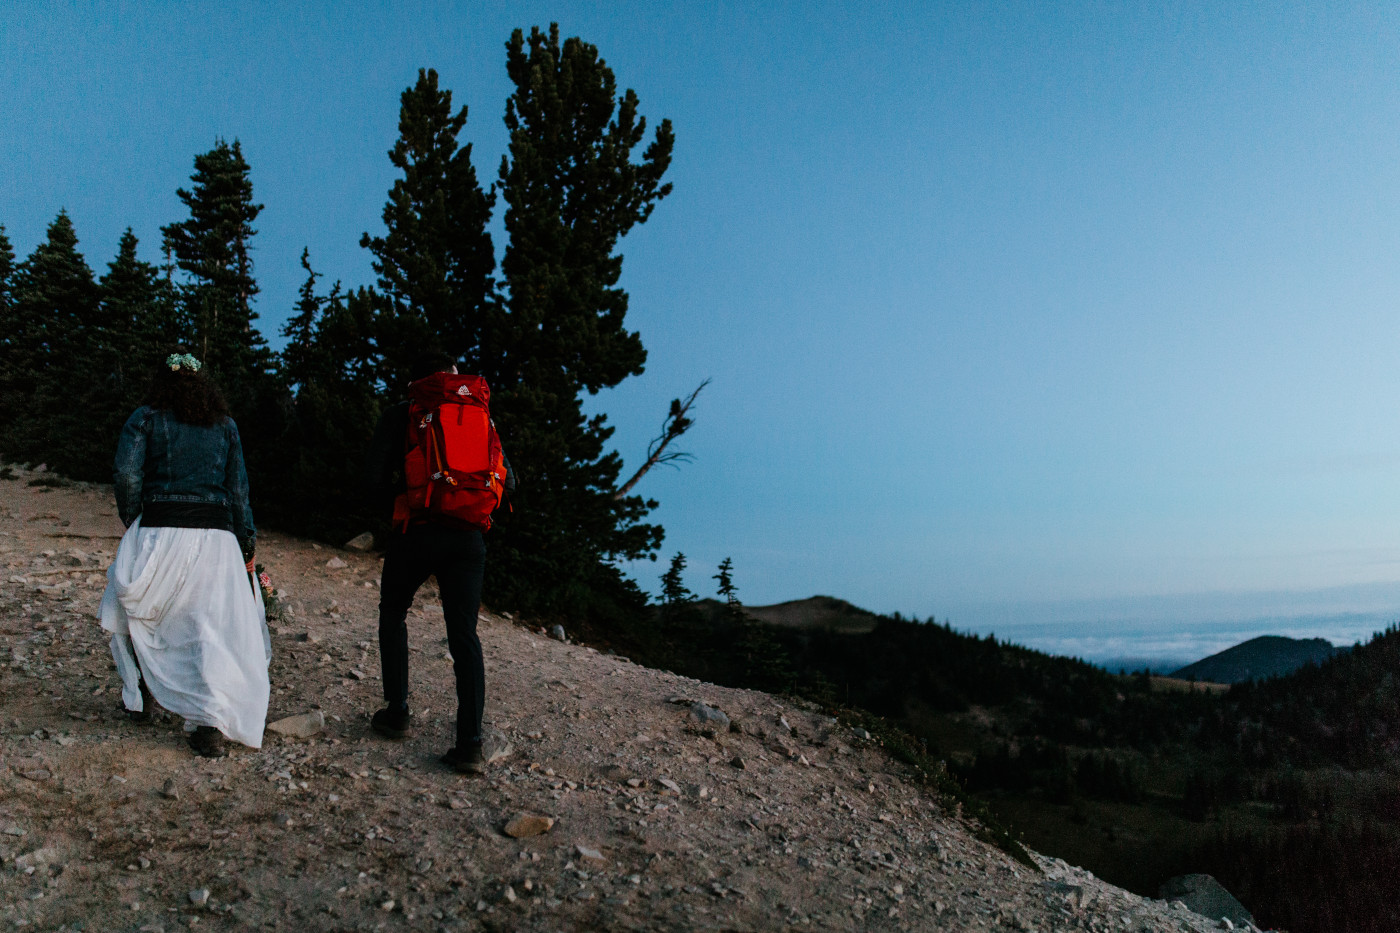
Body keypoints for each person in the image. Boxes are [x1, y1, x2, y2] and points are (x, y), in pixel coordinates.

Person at [100, 352, 270, 757]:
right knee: (208, 626)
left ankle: (140, 696)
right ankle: (207, 723)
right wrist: (246, 543)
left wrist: (136, 518)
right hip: (215, 536)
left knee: (126, 606)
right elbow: (239, 490)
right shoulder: (225, 425)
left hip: (161, 527)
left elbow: (126, 474)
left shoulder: (145, 417)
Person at [365, 350, 513, 774]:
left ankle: (397, 712)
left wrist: (403, 504)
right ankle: (470, 743)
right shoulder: (477, 412)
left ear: (416, 381)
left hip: (417, 531)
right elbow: (508, 478)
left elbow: (372, 480)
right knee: (464, 636)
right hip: (467, 539)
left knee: (393, 613)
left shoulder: (403, 412)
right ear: (451, 377)